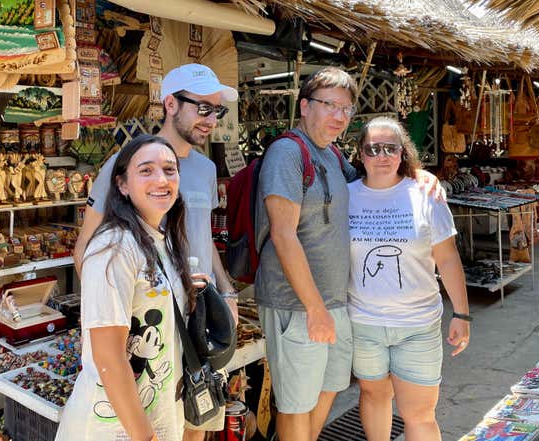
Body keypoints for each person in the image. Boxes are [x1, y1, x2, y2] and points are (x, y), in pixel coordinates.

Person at [73, 63, 238, 440]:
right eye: (204, 108)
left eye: (218, 111)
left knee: (190, 421)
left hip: (191, 322)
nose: (212, 120)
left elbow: (200, 239)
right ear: (171, 104)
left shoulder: (207, 169)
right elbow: (87, 249)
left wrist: (223, 291)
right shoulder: (125, 166)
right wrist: (112, 321)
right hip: (145, 332)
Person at [56, 134, 195, 441]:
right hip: (113, 430)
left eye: (169, 170)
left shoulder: (162, 239)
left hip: (154, 417)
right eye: (146, 170)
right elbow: (109, 358)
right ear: (122, 185)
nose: (161, 179)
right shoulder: (113, 248)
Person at [253, 67, 361, 441]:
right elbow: (283, 234)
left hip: (334, 301)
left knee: (328, 388)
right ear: (304, 106)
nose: (339, 116)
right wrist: (314, 307)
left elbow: (370, 182)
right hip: (297, 304)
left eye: (346, 109)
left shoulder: (331, 154)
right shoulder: (287, 152)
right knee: (296, 405)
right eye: (329, 105)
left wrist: (418, 176)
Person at [348, 116, 470, 441]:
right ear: (360, 154)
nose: (382, 156)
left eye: (391, 148)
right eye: (373, 149)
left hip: (417, 325)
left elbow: (447, 257)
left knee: (419, 415)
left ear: (403, 153)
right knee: (373, 396)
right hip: (363, 323)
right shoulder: (345, 197)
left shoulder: (425, 193)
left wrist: (461, 312)